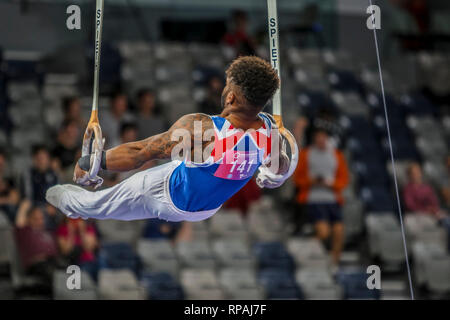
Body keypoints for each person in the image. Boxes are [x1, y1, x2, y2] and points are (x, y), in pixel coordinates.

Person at [46, 56, 293, 223]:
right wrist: (272, 175)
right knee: (196, 162)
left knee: (96, 205)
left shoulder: (204, 130)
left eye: (227, 87)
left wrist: (93, 161)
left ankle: (65, 199)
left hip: (166, 195)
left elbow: (141, 152)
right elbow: (279, 168)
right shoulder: (271, 131)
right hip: (206, 209)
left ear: (230, 98)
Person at [293, 128, 349, 264]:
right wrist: (311, 181)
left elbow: (344, 179)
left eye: (323, 137)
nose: (321, 140)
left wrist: (331, 184)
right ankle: (306, 251)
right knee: (324, 232)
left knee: (339, 231)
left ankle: (334, 262)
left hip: (332, 199)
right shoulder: (306, 154)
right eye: (318, 137)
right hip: (313, 199)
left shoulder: (337, 155)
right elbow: (297, 179)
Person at [14, 200, 58, 288]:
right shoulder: (25, 231)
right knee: (52, 274)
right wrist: (23, 207)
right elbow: (19, 223)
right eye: (36, 218)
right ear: (28, 219)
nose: (39, 221)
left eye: (41, 218)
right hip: (36, 265)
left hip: (53, 262)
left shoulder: (48, 232)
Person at [0, 149, 20, 222]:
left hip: (7, 213)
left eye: (1, 164)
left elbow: (14, 199)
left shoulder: (9, 179)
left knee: (12, 208)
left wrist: (3, 200)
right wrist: (6, 199)